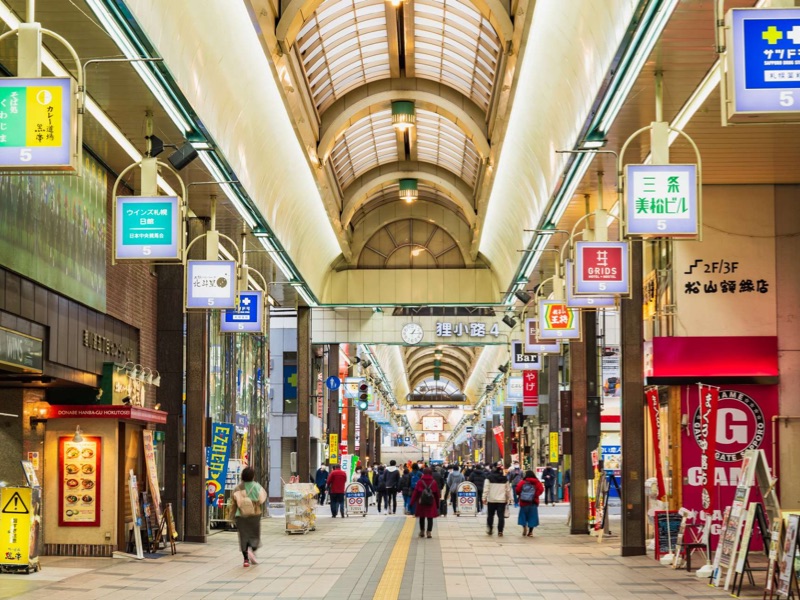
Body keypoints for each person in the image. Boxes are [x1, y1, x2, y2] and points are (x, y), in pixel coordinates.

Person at [229, 466, 267, 567]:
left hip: (241, 515)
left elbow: (234, 501)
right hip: (255, 514)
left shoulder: (238, 488)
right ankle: (252, 550)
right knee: (255, 535)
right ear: (253, 476)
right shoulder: (257, 486)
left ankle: (246, 559)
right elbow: (262, 498)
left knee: (243, 537)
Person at [410, 467, 440, 538]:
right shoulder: (434, 482)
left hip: (421, 502)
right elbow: (437, 494)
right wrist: (438, 505)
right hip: (431, 502)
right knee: (430, 518)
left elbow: (415, 493)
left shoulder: (420, 481)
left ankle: (422, 531)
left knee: (422, 517)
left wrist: (411, 502)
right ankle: (429, 532)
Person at [482, 465, 511, 536]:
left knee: (490, 515)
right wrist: (509, 499)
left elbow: (486, 489)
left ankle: (490, 529)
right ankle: (500, 531)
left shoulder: (488, 478)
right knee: (501, 516)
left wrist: (484, 498)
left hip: (491, 500)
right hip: (501, 500)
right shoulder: (505, 479)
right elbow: (508, 490)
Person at [516, 470, 544, 537]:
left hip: (523, 502)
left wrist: (521, 495)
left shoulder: (522, 482)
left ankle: (524, 527)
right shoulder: (537, 482)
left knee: (523, 516)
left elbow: (517, 490)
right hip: (533, 502)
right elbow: (541, 489)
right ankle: (530, 532)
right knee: (532, 517)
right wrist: (535, 495)